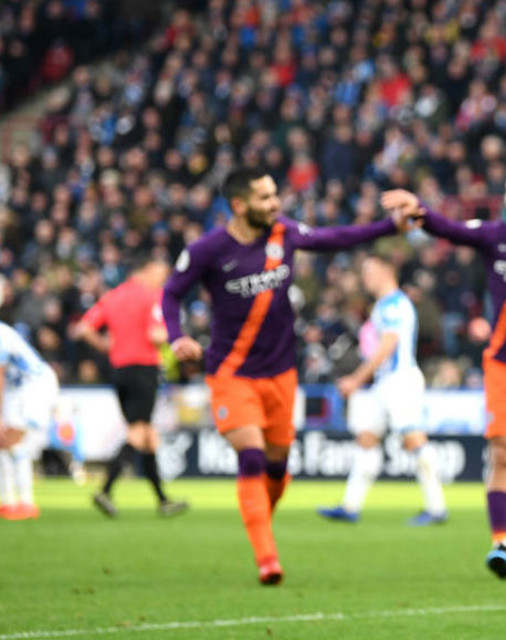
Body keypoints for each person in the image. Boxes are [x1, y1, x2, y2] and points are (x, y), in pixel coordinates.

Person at [162, 167, 401, 585]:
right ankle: (267, 558)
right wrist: (177, 336)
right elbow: (170, 293)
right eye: (265, 198)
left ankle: (259, 521)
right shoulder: (209, 250)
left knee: (276, 468)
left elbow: (334, 239)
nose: (275, 204)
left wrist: (388, 226)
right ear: (239, 205)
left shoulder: (284, 233)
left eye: (275, 195)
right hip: (231, 374)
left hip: (280, 373)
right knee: (251, 456)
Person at [381, 161, 506, 580]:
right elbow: (449, 228)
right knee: (504, 453)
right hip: (504, 365)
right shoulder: (495, 237)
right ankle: (502, 542)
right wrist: (418, 209)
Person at [317, 253, 448, 525]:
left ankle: (437, 508)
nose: (365, 276)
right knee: (366, 438)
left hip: (400, 380)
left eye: (369, 270)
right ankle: (350, 506)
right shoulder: (383, 305)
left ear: (387, 271)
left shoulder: (394, 304)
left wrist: (355, 379)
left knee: (413, 439)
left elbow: (387, 346)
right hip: (384, 382)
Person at [75, 258, 188, 518]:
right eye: (161, 274)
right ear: (147, 271)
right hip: (143, 369)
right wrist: (177, 336)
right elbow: (155, 335)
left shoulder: (112, 296)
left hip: (119, 371)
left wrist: (106, 346)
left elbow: (83, 328)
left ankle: (163, 500)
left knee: (148, 436)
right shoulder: (153, 296)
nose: (164, 280)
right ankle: (105, 489)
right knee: (138, 431)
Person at [0, 318, 60, 521]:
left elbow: (0, 375)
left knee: (13, 440)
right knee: (4, 443)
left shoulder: (1, 334)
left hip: (33, 385)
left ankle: (26, 502)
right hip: (18, 389)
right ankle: (7, 501)